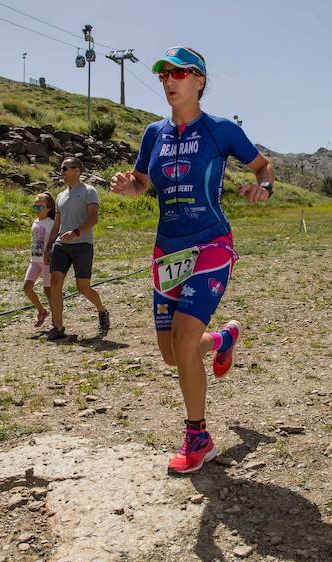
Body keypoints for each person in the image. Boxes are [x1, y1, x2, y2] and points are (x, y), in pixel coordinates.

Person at [110, 46, 275, 474]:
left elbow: (263, 167)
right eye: (164, 74)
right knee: (174, 353)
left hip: (211, 246)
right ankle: (222, 340)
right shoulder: (153, 133)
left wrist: (265, 187)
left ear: (199, 81)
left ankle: (198, 437)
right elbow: (142, 184)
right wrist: (128, 187)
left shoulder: (221, 130)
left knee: (183, 342)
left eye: (179, 73)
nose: (169, 80)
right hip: (168, 250)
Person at [45, 157, 109, 341]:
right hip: (61, 246)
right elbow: (56, 225)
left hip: (82, 245)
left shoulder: (89, 191)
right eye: (62, 168)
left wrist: (76, 232)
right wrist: (48, 247)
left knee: (83, 287)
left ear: (77, 170)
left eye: (65, 168)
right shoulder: (59, 196)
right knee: (55, 282)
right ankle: (57, 326)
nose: (62, 171)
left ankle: (102, 310)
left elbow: (93, 218)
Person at [23, 193, 55, 327]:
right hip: (34, 260)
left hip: (47, 263)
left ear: (48, 208)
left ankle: (56, 320)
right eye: (35, 206)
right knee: (27, 288)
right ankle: (42, 311)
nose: (37, 209)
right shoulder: (35, 222)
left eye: (40, 207)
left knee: (48, 291)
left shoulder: (52, 224)